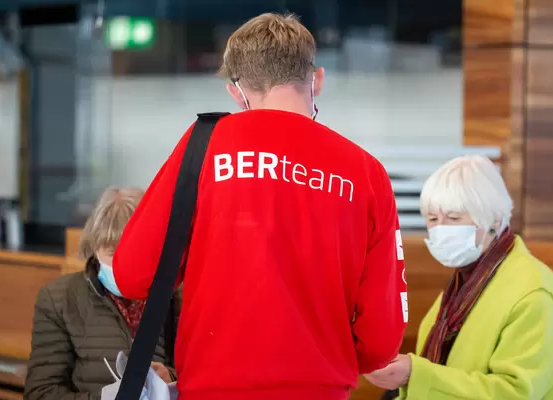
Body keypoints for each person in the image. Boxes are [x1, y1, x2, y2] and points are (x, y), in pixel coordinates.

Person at [113, 12, 407, 400]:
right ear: (316, 79)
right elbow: (381, 341)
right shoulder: (367, 173)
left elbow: (132, 273)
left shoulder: (204, 146)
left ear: (236, 91)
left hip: (214, 390)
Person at [367, 155, 553, 399]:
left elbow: (514, 393)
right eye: (432, 219)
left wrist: (415, 375)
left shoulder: (533, 294)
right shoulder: (467, 283)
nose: (440, 229)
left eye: (453, 218)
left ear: (493, 219)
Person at [24, 187, 180, 400]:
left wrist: (169, 378)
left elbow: (198, 373)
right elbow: (40, 394)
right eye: (113, 253)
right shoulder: (59, 299)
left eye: (134, 251)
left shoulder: (173, 296)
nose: (124, 264)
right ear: (94, 246)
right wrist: (106, 397)